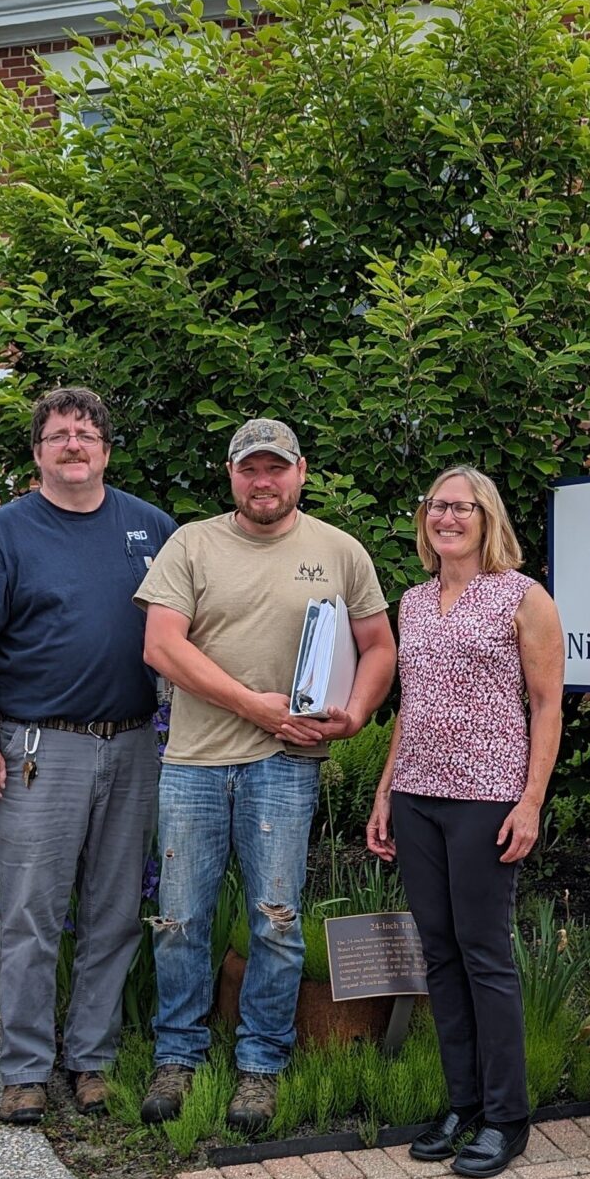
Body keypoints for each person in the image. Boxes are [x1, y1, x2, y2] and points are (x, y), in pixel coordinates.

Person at [134, 418, 394, 1134]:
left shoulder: (339, 551)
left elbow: (378, 646)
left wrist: (355, 714)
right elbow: (161, 645)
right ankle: (178, 1057)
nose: (264, 481)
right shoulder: (193, 544)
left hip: (285, 766)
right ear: (231, 474)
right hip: (192, 762)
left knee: (276, 923)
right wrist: (255, 707)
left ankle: (261, 1066)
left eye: (276, 468)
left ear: (301, 472)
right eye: (251, 468)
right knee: (181, 919)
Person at [0, 387, 175, 1125]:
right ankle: (25, 1070)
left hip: (135, 742)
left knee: (114, 915)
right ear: (39, 451)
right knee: (31, 916)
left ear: (106, 448)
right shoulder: (5, 533)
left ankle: (93, 1061)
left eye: (85, 433)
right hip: (41, 748)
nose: (73, 444)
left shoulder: (152, 528)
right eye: (58, 434)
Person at [365, 466, 563, 1179]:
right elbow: (409, 708)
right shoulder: (414, 603)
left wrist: (532, 800)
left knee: (485, 955)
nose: (447, 517)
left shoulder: (523, 597)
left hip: (488, 797)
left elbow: (546, 705)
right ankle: (463, 1103)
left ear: (487, 518)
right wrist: (386, 793)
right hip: (419, 797)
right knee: (440, 955)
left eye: (462, 507)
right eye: (437, 506)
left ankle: (507, 1117)